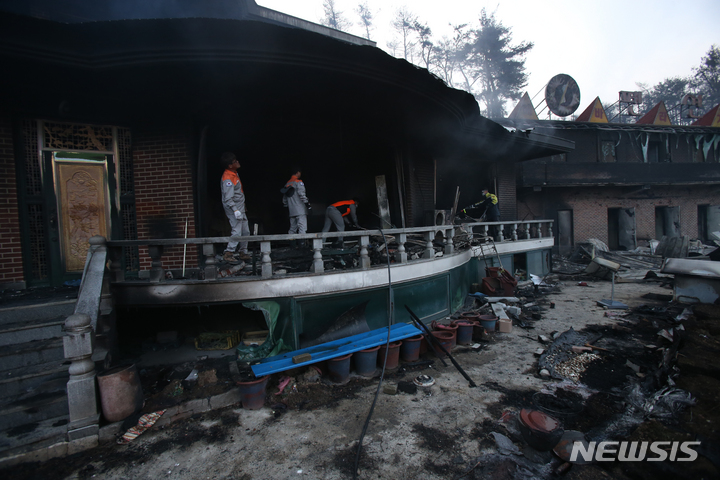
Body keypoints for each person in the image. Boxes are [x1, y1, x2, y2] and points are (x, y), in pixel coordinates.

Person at [220, 152, 251, 264]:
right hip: (234, 208)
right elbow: (228, 198)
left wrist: (242, 207)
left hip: (239, 207)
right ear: (229, 165)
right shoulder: (228, 178)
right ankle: (229, 252)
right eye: (235, 161)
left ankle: (243, 251)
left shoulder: (234, 174)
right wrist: (235, 210)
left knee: (245, 231)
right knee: (237, 231)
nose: (237, 162)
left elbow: (238, 193)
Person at [282, 168, 311, 246]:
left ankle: (292, 246)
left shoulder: (287, 183)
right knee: (302, 228)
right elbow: (302, 194)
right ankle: (302, 246)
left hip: (291, 210)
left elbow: (284, 200)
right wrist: (307, 204)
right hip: (300, 209)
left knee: (292, 228)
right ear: (298, 173)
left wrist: (287, 206)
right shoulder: (298, 182)